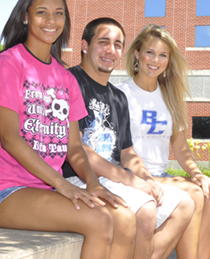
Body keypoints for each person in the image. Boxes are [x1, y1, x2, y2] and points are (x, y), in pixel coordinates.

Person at [0, 0, 134, 259]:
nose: (51, 21)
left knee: (124, 217)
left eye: (59, 14)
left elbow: (74, 147)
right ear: (26, 16)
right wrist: (63, 185)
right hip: (4, 192)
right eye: (42, 12)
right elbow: (10, 138)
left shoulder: (65, 78)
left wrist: (93, 183)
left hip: (45, 190)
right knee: (100, 219)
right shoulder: (9, 64)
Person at [61, 17, 194, 259]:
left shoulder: (117, 97)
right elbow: (78, 148)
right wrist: (131, 181)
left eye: (117, 45)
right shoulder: (71, 82)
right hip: (77, 176)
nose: (111, 50)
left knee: (184, 204)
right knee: (145, 209)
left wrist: (145, 179)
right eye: (103, 42)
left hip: (112, 177)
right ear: (84, 45)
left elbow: (127, 152)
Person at [117, 24, 210, 259]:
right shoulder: (120, 94)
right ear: (137, 54)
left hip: (160, 175)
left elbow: (181, 146)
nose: (155, 60)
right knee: (193, 196)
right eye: (150, 52)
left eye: (163, 55)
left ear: (169, 60)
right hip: (132, 175)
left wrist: (197, 173)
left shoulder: (170, 96)